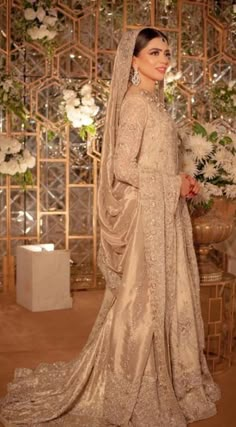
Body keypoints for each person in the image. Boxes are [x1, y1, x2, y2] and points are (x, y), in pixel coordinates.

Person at [0, 28, 220, 427]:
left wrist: (182, 181)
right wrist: (173, 183)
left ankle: (168, 376)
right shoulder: (135, 103)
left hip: (163, 211)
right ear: (133, 61)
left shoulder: (155, 103)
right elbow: (122, 167)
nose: (163, 60)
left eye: (167, 53)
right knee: (141, 301)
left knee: (165, 296)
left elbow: (155, 162)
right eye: (154, 53)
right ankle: (128, 382)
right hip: (145, 217)